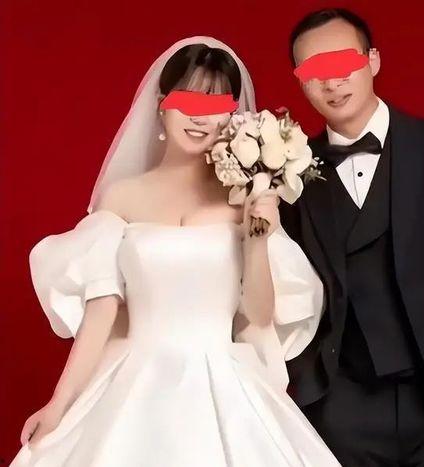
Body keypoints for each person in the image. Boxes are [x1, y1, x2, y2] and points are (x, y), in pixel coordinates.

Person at [10, 36, 341, 466]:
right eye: (188, 101)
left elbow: (258, 317)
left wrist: (258, 235)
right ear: (161, 105)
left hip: (225, 385)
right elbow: (102, 308)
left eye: (215, 105)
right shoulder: (122, 197)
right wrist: (59, 404)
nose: (200, 117)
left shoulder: (243, 198)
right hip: (132, 380)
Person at [280, 8, 424, 467]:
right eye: (315, 70)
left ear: (373, 60)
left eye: (344, 62)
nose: (332, 82)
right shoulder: (290, 173)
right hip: (343, 410)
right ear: (300, 82)